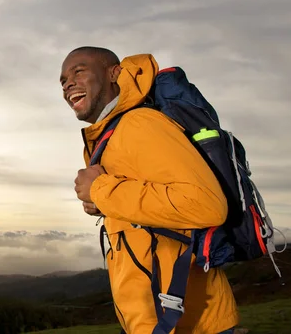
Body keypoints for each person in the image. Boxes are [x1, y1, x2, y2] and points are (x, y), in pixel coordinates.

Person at [60, 47, 239, 334]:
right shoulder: (112, 134)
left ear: (113, 74)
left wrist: (102, 189)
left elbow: (205, 204)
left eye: (78, 71)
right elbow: (148, 205)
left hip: (190, 323)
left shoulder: (140, 124)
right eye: (63, 80)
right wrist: (102, 201)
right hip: (156, 318)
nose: (68, 83)